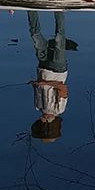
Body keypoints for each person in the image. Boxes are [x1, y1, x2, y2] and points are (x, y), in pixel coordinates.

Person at [27, 11, 78, 143]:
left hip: (43, 67)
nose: (42, 119)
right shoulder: (59, 109)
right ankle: (58, 11)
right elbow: (63, 88)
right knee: (59, 38)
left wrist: (35, 83)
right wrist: (44, 83)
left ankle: (30, 10)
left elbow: (39, 87)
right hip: (57, 69)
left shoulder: (38, 107)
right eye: (43, 122)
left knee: (35, 35)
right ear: (49, 124)